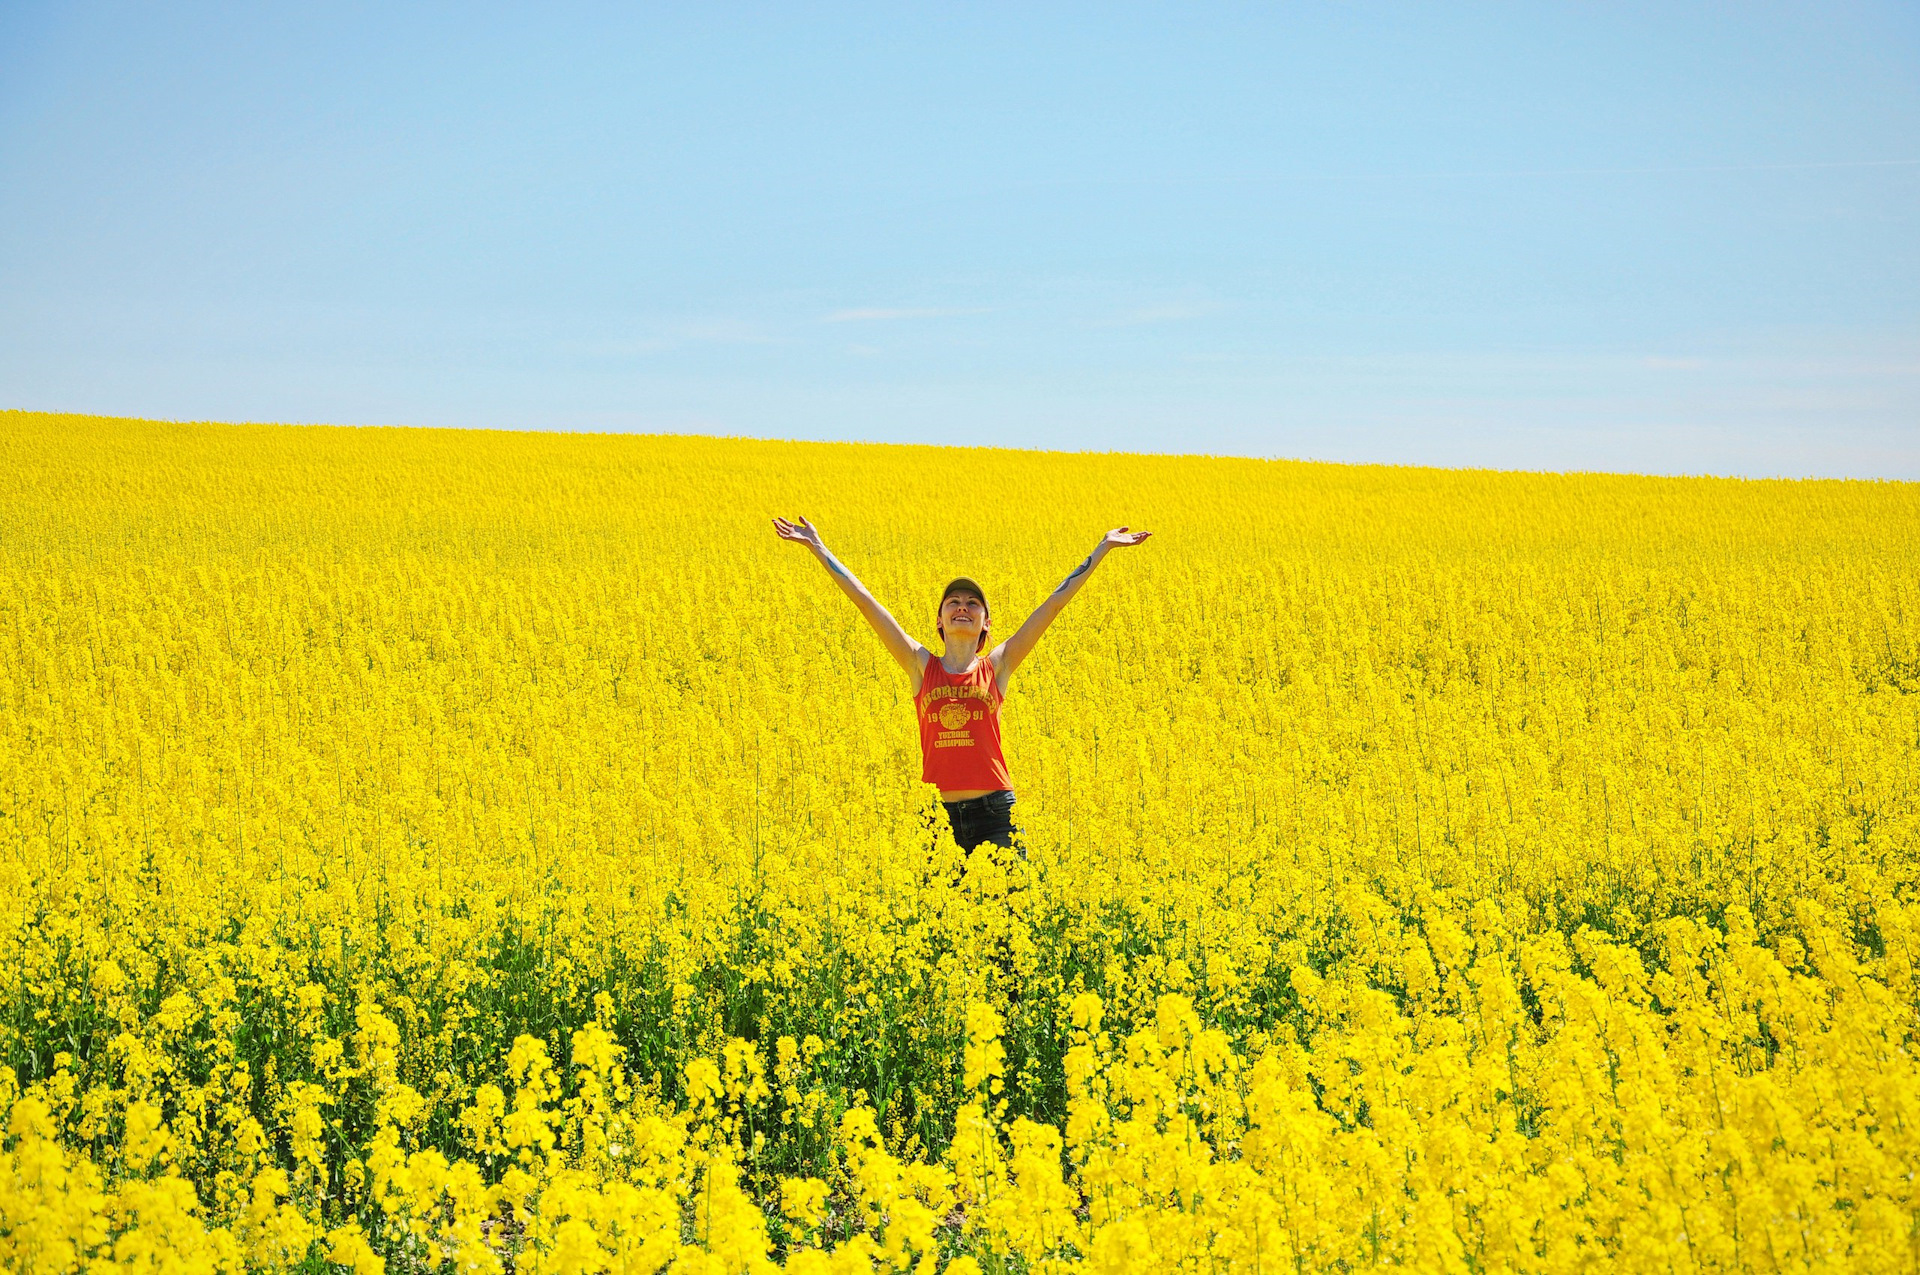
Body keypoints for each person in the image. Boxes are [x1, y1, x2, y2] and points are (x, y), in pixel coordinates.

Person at [771, 515, 1152, 851]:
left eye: (973, 603)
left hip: (995, 816)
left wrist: (1101, 550)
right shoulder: (920, 666)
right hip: (936, 820)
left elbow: (1053, 605)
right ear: (939, 620)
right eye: (952, 602)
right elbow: (866, 602)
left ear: (986, 622)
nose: (962, 607)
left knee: (1004, 930)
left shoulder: (998, 666)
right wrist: (818, 548)